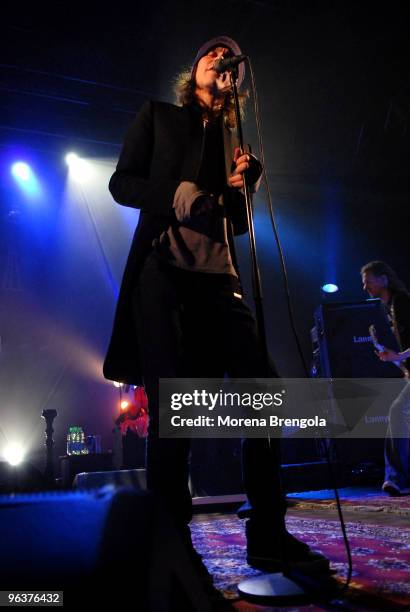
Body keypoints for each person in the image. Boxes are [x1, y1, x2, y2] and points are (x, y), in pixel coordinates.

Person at [103, 36, 330, 582]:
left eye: (229, 55)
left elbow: (238, 223)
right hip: (164, 274)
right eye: (211, 50)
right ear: (196, 69)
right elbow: (122, 182)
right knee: (174, 410)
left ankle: (269, 537)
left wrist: (242, 188)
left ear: (236, 81)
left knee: (264, 397)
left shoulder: (236, 141)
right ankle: (171, 545)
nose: (220, 56)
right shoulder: (159, 117)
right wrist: (180, 192)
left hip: (218, 277)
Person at [361, 261, 410, 495]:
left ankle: (397, 478)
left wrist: (399, 355)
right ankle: (396, 478)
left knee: (398, 411)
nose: (365, 286)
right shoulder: (389, 307)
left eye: (368, 281)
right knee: (399, 414)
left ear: (383, 279)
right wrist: (398, 361)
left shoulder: (402, 302)